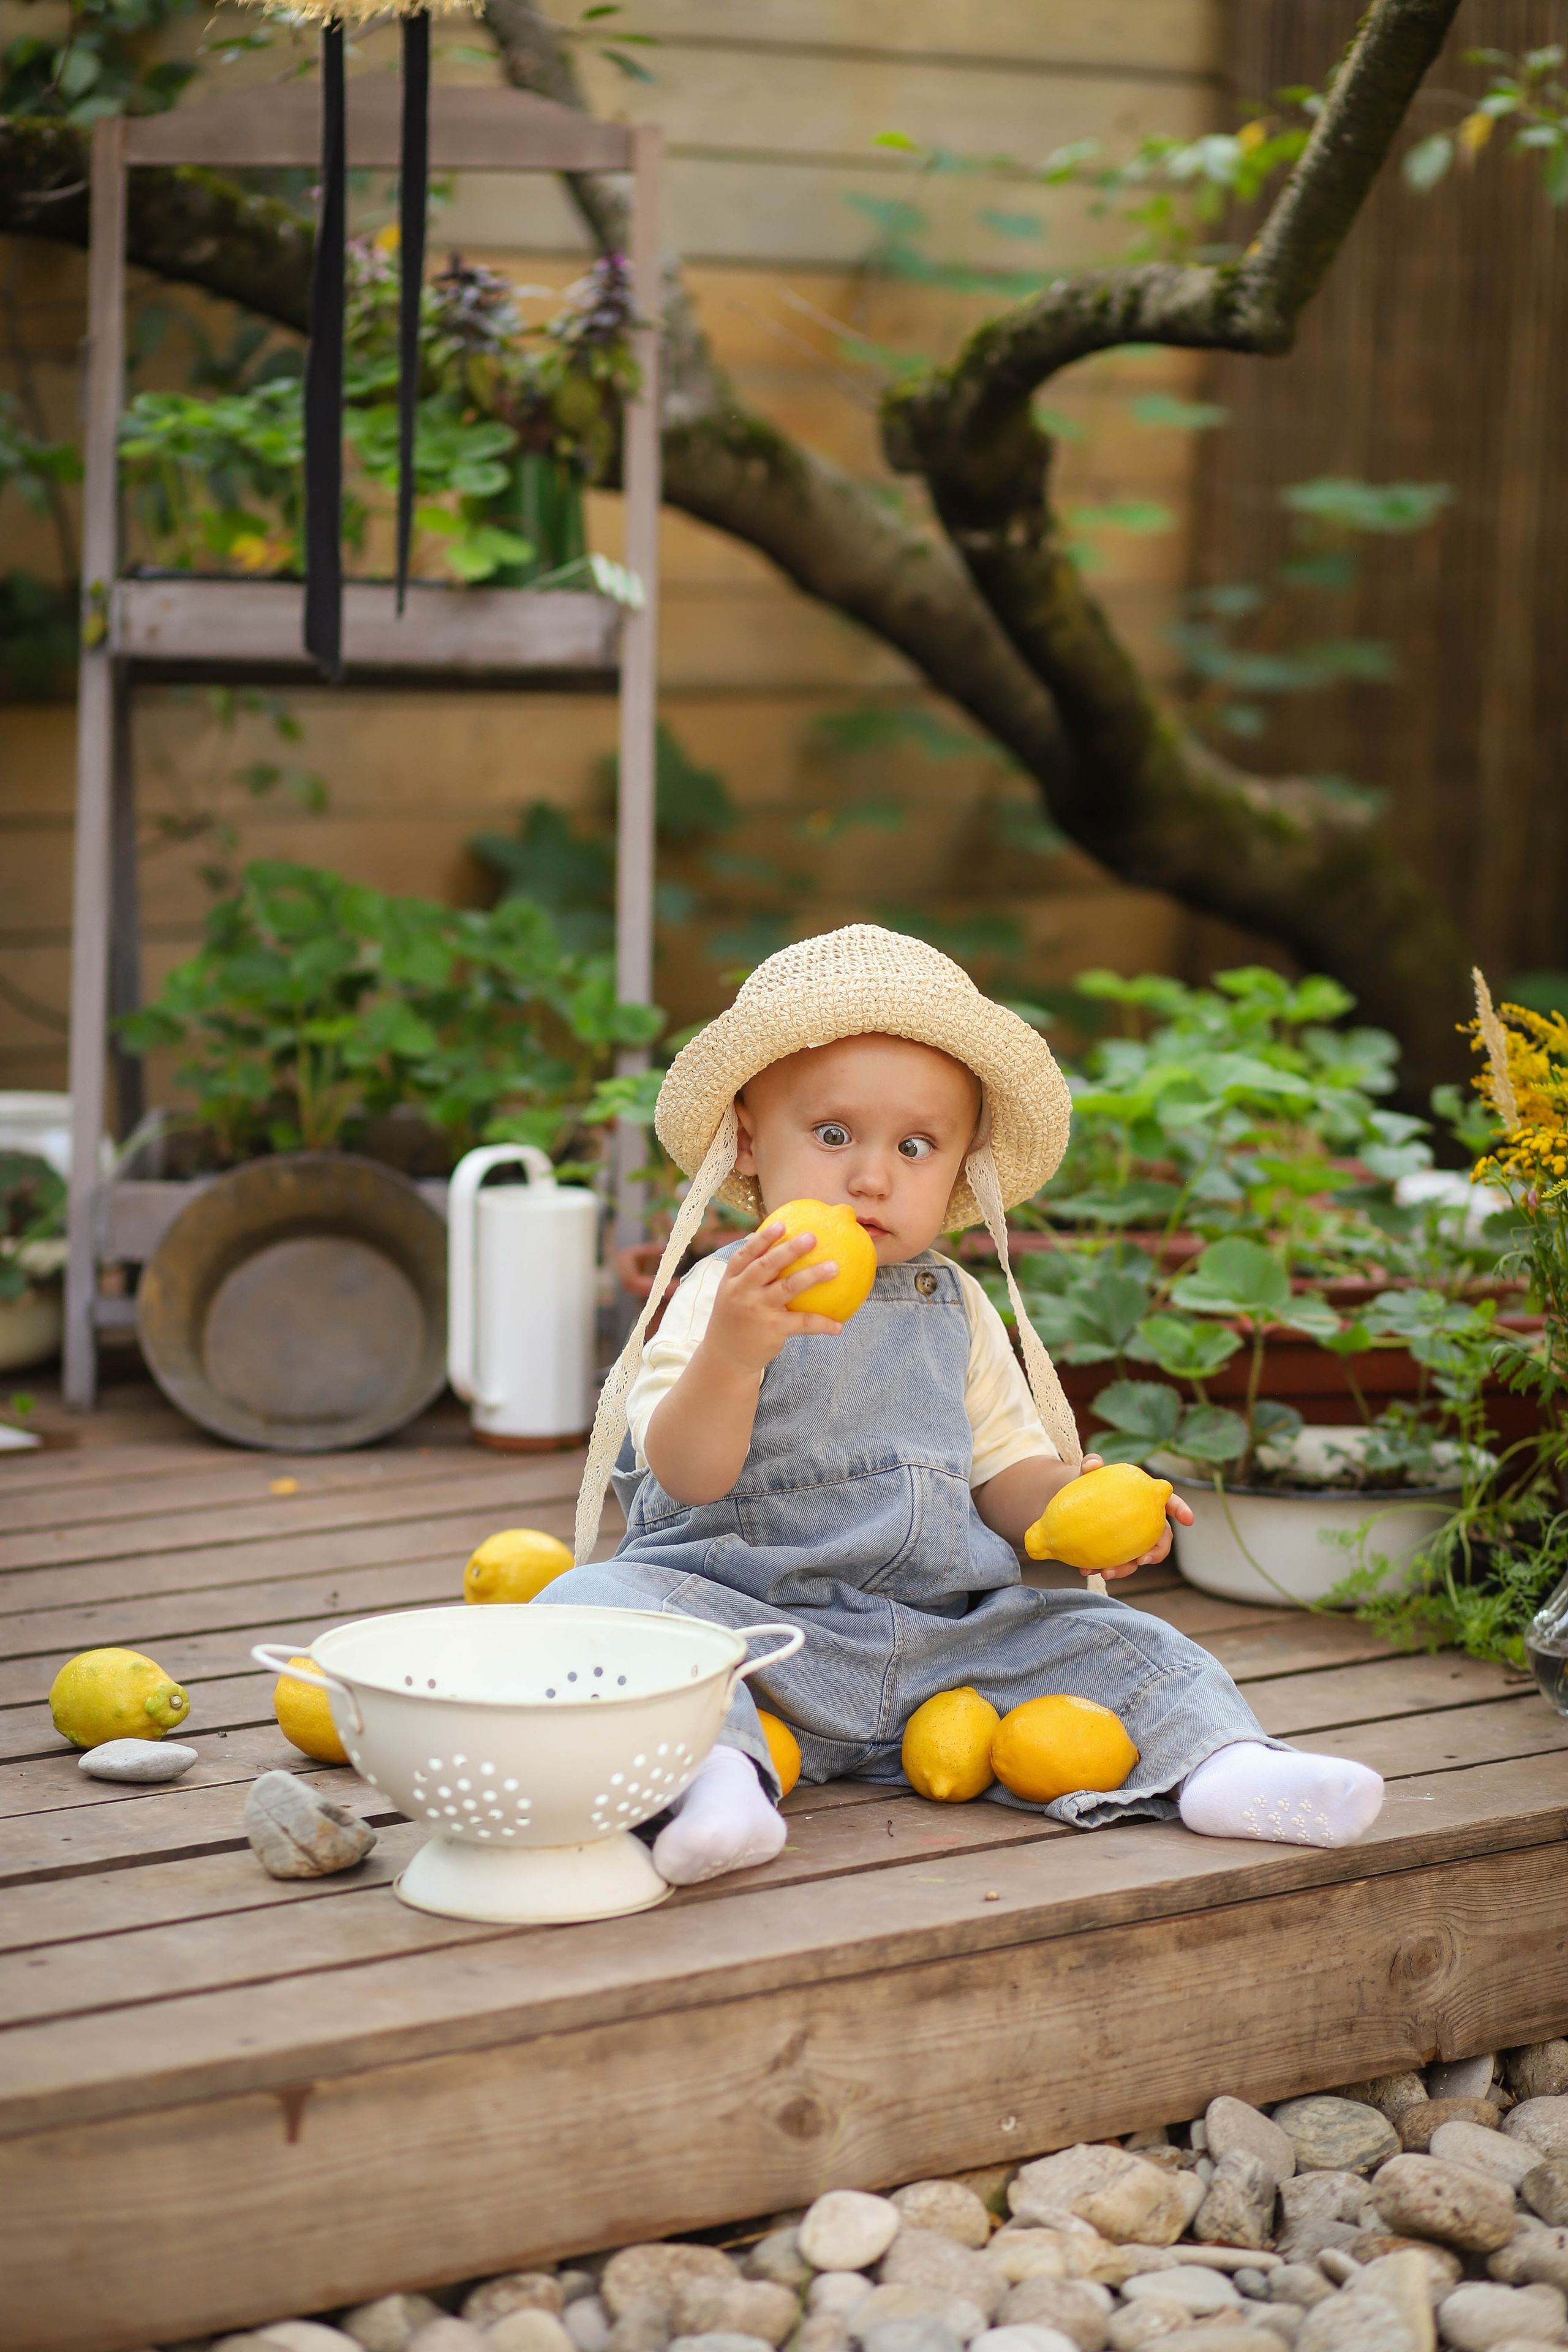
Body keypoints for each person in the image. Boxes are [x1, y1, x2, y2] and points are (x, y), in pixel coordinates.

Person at [544, 925, 1384, 1885]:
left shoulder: (957, 1307)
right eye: (831, 1136)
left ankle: (1226, 1769)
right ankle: (720, 1782)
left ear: (958, 1167)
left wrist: (1075, 1510)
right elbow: (686, 1479)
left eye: (914, 1146)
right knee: (590, 1601)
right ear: (747, 1137)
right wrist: (737, 1354)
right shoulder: (726, 1294)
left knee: (1121, 1641)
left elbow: (1005, 1480)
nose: (871, 1176)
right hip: (751, 1633)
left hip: (946, 1643)